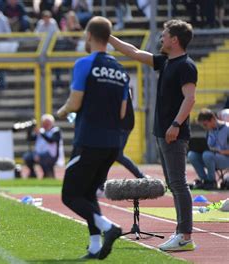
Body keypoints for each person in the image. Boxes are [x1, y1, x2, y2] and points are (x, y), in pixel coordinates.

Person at [109, 19, 197, 252]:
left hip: (173, 133)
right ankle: (182, 233)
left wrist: (176, 124)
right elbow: (134, 52)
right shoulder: (167, 61)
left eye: (165, 35)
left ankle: (185, 235)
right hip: (163, 132)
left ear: (175, 40)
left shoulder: (186, 66)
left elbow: (190, 98)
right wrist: (109, 37)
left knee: (179, 183)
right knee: (174, 183)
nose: (161, 38)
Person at [57, 16, 126, 260]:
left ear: (88, 35)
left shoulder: (85, 63)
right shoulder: (120, 70)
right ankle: (95, 245)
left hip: (89, 139)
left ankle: (109, 228)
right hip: (112, 142)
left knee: (70, 195)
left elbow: (75, 102)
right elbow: (122, 112)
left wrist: (62, 111)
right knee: (87, 194)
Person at [188, 108, 229, 189]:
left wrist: (219, 151)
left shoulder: (227, 129)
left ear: (213, 119)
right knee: (191, 155)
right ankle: (205, 180)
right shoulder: (209, 131)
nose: (204, 127)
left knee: (207, 155)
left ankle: (211, 181)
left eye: (205, 124)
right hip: (211, 157)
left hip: (225, 159)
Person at [23, 114, 62, 178]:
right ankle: (33, 174)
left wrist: (41, 133)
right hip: (38, 154)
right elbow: (30, 139)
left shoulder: (55, 131)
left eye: (47, 123)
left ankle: (47, 174)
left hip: (52, 155)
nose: (46, 125)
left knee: (42, 158)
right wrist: (30, 129)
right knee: (27, 157)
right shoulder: (41, 131)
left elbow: (51, 140)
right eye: (44, 123)